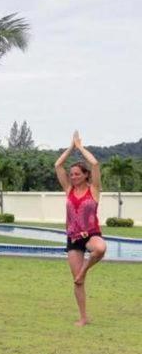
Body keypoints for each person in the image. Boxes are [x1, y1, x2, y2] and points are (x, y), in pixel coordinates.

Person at [55, 131, 106, 326]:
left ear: (86, 176)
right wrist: (70, 147)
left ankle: (84, 270)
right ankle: (83, 317)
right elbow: (57, 165)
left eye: (77, 174)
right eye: (72, 174)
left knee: (100, 249)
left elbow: (94, 164)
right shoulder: (69, 190)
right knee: (77, 282)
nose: (73, 176)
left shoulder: (94, 190)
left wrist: (80, 147)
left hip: (91, 234)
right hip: (73, 238)